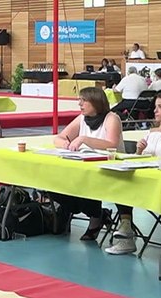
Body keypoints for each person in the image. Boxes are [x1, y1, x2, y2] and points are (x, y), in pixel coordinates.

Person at [106, 92, 161, 255]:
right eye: (155, 107)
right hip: (148, 178)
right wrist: (139, 150)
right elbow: (140, 159)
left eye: (160, 107)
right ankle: (126, 230)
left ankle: (126, 229)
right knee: (120, 187)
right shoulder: (152, 132)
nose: (155, 110)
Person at [52, 87, 123, 241]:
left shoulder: (112, 118)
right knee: (56, 182)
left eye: (84, 101)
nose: (80, 104)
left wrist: (84, 139)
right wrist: (64, 143)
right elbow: (58, 138)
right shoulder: (81, 118)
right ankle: (81, 210)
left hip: (110, 170)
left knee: (86, 181)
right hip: (85, 167)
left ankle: (96, 217)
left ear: (96, 102)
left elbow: (112, 144)